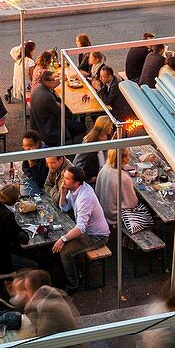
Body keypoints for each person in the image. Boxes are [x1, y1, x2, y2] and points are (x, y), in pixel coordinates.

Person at [53, 165, 110, 293]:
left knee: (65, 252)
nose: (63, 180)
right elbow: (65, 208)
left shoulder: (85, 198)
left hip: (97, 236)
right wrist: (62, 193)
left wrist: (63, 239)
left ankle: (72, 286)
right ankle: (72, 271)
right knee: (62, 242)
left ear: (76, 182)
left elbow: (81, 228)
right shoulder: (74, 189)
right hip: (86, 231)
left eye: (67, 179)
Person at [13, 270, 81, 343]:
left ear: (36, 292)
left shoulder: (49, 310)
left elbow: (41, 342)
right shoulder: (53, 296)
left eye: (26, 289)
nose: (24, 293)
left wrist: (26, 304)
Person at [29, 71, 74, 146]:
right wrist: (64, 108)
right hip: (48, 129)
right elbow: (61, 113)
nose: (55, 81)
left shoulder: (39, 89)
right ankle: (71, 149)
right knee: (81, 127)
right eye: (53, 80)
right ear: (46, 82)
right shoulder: (47, 97)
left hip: (37, 125)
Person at [96, 148, 138, 227]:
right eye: (127, 156)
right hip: (115, 216)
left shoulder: (105, 168)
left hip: (103, 210)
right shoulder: (123, 178)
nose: (129, 158)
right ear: (123, 159)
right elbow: (132, 203)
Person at [73, 116, 113, 183]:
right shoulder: (91, 147)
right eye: (110, 126)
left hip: (94, 172)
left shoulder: (98, 137)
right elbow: (86, 170)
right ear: (105, 127)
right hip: (87, 177)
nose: (112, 128)